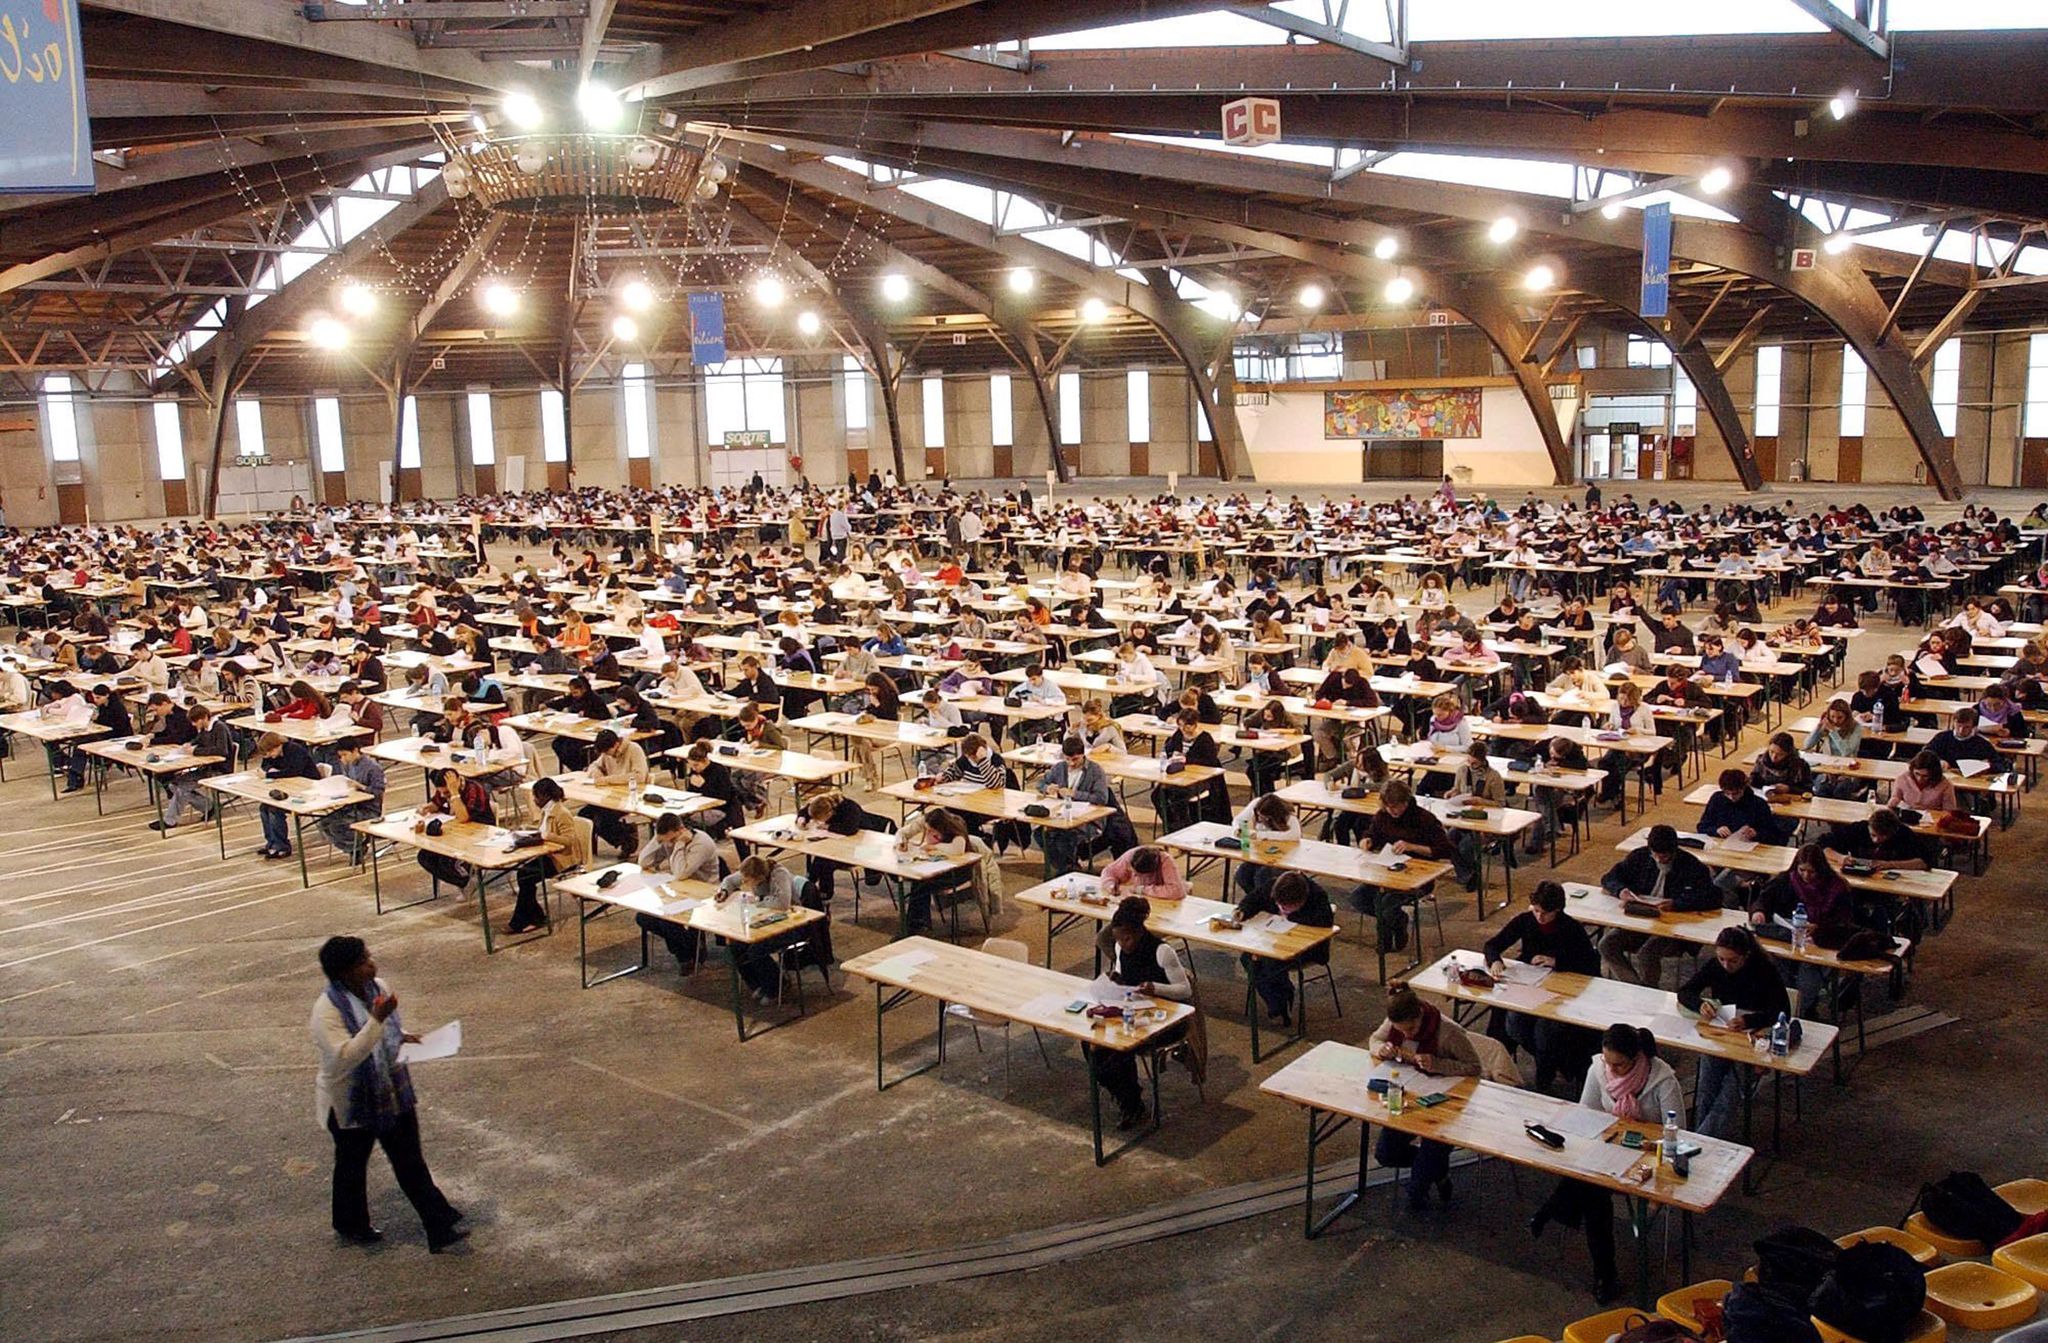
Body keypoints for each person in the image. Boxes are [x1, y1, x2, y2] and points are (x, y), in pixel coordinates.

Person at [310, 936, 465, 1252]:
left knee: (409, 1159)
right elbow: (346, 1056)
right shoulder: (326, 1011)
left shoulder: (377, 987)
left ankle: (438, 1222)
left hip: (390, 1089)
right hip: (352, 1101)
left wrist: (403, 1036)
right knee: (352, 1165)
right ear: (344, 973)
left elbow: (388, 1028)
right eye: (362, 962)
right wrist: (377, 1021)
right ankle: (351, 1223)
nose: (371, 965)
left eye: (369, 957)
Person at [1528, 1023, 1681, 1304]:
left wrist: (1645, 1141)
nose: (1611, 1069)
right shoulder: (1598, 1069)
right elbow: (1587, 1113)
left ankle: (1553, 1209)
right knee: (1593, 1193)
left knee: (1590, 1189)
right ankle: (1605, 1276)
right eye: (1608, 1062)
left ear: (1636, 1058)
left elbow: (1677, 1131)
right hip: (1610, 1148)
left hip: (1650, 1156)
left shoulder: (1663, 1080)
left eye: (1619, 1065)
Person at [1369, 981, 1482, 1212]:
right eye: (1401, 1031)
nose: (1406, 1035)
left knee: (1420, 1179)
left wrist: (1438, 1064)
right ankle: (1438, 1171)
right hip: (1410, 1095)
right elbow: (1375, 1039)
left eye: (1411, 1030)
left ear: (1420, 1014)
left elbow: (1474, 1067)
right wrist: (1381, 1049)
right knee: (1386, 1154)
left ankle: (1421, 1186)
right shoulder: (1394, 1022)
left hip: (1445, 1102)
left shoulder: (1448, 1033)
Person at [1092, 896, 1194, 1130]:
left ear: (1139, 932)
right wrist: (1116, 980)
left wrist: (1155, 988)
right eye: (1119, 939)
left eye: (1127, 938)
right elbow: (1124, 974)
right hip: (1136, 1011)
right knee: (1094, 1047)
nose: (1123, 944)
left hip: (1168, 1020)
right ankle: (1128, 1097)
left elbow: (1184, 990)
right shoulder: (1119, 946)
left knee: (1120, 1052)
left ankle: (1132, 1105)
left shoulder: (1162, 951)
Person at [1678, 926, 1789, 1139]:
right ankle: (1700, 1138)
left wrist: (1749, 1020)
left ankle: (1700, 1140)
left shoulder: (1764, 970)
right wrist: (1699, 1004)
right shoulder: (1715, 966)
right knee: (1706, 1088)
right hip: (1723, 1034)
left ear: (1745, 956)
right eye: (1721, 959)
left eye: (1733, 961)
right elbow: (1685, 991)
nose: (1726, 965)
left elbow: (1782, 1011)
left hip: (1754, 1038)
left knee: (1729, 1093)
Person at [1596, 823, 1716, 985]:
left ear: (1674, 851)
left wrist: (1677, 903)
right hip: (1641, 920)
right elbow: (1609, 877)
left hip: (1674, 928)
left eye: (1664, 856)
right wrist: (1620, 890)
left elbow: (1711, 896)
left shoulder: (1691, 865)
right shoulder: (1640, 857)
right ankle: (1637, 988)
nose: (1659, 859)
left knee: (1647, 953)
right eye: (1655, 855)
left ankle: (1648, 989)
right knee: (1606, 945)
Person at [1353, 779, 1455, 953]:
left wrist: (1412, 847)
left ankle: (1385, 940)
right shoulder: (1382, 816)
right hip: (1387, 871)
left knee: (1385, 903)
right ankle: (1399, 920)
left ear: (1406, 802)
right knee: (1359, 898)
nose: (1392, 811)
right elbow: (1372, 834)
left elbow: (1446, 850)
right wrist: (1366, 840)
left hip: (1418, 876)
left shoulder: (1424, 819)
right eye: (1388, 807)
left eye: (1396, 806)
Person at [1234, 870, 1333, 1025]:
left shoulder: (1318, 896)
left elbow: (1323, 923)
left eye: (1287, 907)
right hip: (1274, 939)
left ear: (1302, 900)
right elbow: (1254, 898)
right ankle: (1278, 1002)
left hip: (1308, 948)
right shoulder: (1274, 885)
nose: (1281, 908)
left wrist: (1291, 917)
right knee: (1247, 958)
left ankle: (1280, 1005)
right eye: (1279, 904)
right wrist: (1243, 910)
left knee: (1271, 963)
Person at [506, 776, 589, 935]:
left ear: (544, 796)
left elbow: (569, 841)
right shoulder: (547, 810)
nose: (534, 800)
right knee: (523, 874)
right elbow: (543, 831)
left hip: (562, 860)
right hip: (550, 855)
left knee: (525, 876)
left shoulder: (561, 813)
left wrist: (547, 836)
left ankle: (522, 921)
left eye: (536, 796)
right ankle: (535, 916)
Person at [714, 855, 800, 1003]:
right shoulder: (750, 872)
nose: (744, 883)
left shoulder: (779, 874)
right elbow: (730, 880)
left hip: (790, 924)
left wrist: (758, 901)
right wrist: (724, 891)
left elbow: (782, 903)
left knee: (756, 950)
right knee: (735, 947)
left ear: (759, 877)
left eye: (747, 881)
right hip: (764, 921)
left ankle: (777, 986)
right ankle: (758, 984)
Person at [1036, 735, 1115, 875]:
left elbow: (1101, 798)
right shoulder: (1059, 768)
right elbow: (1040, 783)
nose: (1071, 763)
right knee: (1039, 834)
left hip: (1088, 820)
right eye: (1067, 759)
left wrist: (1075, 794)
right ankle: (1068, 867)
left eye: (1075, 759)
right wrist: (1047, 788)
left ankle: (1066, 869)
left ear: (1083, 755)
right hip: (1062, 815)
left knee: (1065, 838)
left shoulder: (1095, 771)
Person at [253, 731, 320, 860]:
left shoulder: (295, 750)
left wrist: (269, 774)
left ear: (277, 746)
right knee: (264, 807)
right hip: (290, 787)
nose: (270, 756)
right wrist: (268, 769)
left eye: (270, 752)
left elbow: (293, 771)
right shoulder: (274, 754)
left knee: (275, 809)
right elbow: (265, 764)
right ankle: (272, 843)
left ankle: (282, 846)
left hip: (307, 789)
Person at [583, 728, 650, 856]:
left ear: (616, 744)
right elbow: (594, 765)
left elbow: (639, 776)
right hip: (612, 794)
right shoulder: (607, 753)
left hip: (631, 796)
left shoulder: (634, 749)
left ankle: (627, 839)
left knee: (603, 819)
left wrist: (608, 780)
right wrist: (596, 773)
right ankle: (591, 849)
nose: (607, 755)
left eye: (607, 751)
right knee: (585, 814)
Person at [319, 739, 387, 862]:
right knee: (324, 822)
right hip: (351, 804)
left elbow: (378, 792)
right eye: (341, 756)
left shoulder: (373, 768)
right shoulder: (349, 765)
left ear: (355, 751)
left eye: (345, 755)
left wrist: (361, 787)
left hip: (368, 809)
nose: (343, 759)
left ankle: (357, 847)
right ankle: (352, 847)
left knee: (337, 825)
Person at [1097, 843, 1187, 902]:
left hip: (1157, 900)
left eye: (1137, 875)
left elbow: (1177, 891)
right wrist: (1110, 885)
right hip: (1136, 899)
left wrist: (1141, 889)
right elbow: (1108, 871)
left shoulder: (1166, 860)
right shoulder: (1131, 856)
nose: (1134, 875)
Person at [1888, 749, 1959, 813]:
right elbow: (1895, 799)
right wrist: (1894, 802)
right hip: (1907, 815)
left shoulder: (1945, 785)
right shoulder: (1903, 779)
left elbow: (1949, 811)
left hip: (1932, 819)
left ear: (1934, 774)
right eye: (1917, 774)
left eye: (1925, 776)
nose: (1919, 779)